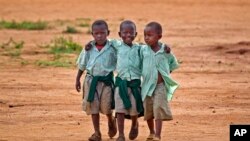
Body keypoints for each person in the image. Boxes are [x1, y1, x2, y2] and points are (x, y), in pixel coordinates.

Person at [75, 20, 117, 141]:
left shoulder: (112, 48)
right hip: (91, 81)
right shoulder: (88, 48)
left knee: (107, 106)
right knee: (93, 107)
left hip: (107, 83)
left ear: (107, 33)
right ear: (92, 34)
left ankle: (111, 120)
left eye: (102, 33)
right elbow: (82, 65)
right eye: (96, 33)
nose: (99, 36)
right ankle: (97, 133)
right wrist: (77, 79)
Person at [140, 22, 179, 141]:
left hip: (160, 86)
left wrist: (165, 74)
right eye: (145, 35)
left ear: (159, 37)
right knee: (148, 110)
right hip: (146, 86)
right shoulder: (143, 50)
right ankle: (151, 132)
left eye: (150, 35)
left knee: (158, 109)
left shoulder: (165, 51)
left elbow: (173, 63)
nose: (147, 38)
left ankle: (158, 135)